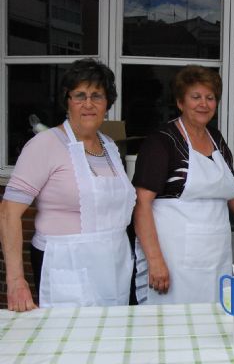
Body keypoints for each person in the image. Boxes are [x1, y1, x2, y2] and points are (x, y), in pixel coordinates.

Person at [0, 58, 136, 311]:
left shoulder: (110, 146)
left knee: (111, 342)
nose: (88, 104)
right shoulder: (45, 145)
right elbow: (9, 212)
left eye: (97, 96)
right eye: (79, 95)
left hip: (114, 264)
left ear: (107, 103)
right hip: (66, 264)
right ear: (67, 101)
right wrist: (16, 280)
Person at [132, 65, 234, 305]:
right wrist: (155, 260)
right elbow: (142, 204)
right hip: (173, 255)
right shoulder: (162, 141)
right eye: (196, 97)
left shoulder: (216, 138)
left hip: (216, 252)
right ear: (180, 102)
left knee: (213, 317)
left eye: (210, 98)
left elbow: (226, 187)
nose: (204, 104)